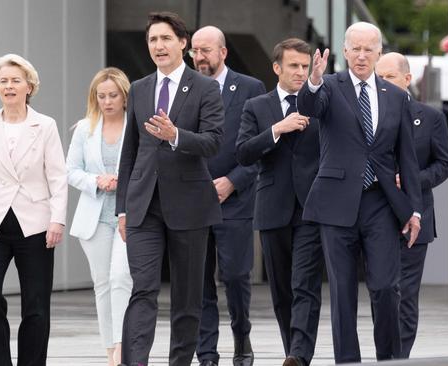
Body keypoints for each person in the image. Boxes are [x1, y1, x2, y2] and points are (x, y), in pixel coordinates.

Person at [297, 22, 422, 363]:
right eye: (356, 48)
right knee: (342, 293)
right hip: (336, 202)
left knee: (384, 287)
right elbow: (309, 106)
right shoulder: (328, 87)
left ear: (379, 52)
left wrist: (414, 210)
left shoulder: (395, 96)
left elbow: (407, 158)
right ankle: (347, 362)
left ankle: (390, 359)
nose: (362, 55)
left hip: (381, 202)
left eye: (370, 49)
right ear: (346, 50)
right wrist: (313, 79)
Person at [115, 11, 224, 366]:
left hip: (190, 206)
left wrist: (175, 135)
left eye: (165, 39)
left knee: (187, 297)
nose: (158, 46)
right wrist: (122, 207)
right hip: (143, 205)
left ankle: (179, 362)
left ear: (183, 43)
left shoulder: (206, 87)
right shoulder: (140, 88)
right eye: (152, 40)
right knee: (142, 289)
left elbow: (213, 142)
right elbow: (130, 150)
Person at [0, 54, 68, 366]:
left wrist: (57, 220)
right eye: (3, 81)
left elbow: (58, 177)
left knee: (36, 304)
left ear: (29, 86)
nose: (9, 86)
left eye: (15, 80)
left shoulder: (45, 125)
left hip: (35, 224)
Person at [236, 38, 322, 366]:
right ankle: (294, 352)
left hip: (312, 208)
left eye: (305, 66)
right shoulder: (256, 107)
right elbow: (243, 153)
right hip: (273, 207)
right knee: (282, 292)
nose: (301, 72)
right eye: (294, 66)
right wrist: (277, 129)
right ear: (277, 68)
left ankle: (299, 354)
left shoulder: (320, 102)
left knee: (304, 285)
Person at [189, 25, 265, 366]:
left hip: (235, 200)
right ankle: (206, 352)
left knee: (235, 275)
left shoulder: (250, 89)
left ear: (223, 52)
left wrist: (233, 181)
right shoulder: (183, 89)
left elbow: (260, 149)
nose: (200, 56)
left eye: (206, 50)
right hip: (192, 201)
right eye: (195, 50)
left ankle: (241, 336)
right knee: (198, 280)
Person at [375, 52, 448, 358]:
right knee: (382, 292)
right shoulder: (366, 115)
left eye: (389, 77)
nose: (382, 83)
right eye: (378, 78)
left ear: (407, 80)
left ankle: (399, 358)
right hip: (375, 217)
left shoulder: (431, 117)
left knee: (406, 295)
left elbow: (445, 164)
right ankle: (386, 353)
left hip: (415, 216)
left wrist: (411, 180)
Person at [66, 67, 133, 366]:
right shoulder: (85, 128)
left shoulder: (137, 126)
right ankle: (110, 350)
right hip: (94, 217)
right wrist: (96, 181)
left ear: (124, 96)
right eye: (101, 96)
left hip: (128, 215)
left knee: (122, 277)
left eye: (113, 95)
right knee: (102, 284)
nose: (107, 101)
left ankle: (122, 346)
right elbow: (70, 171)